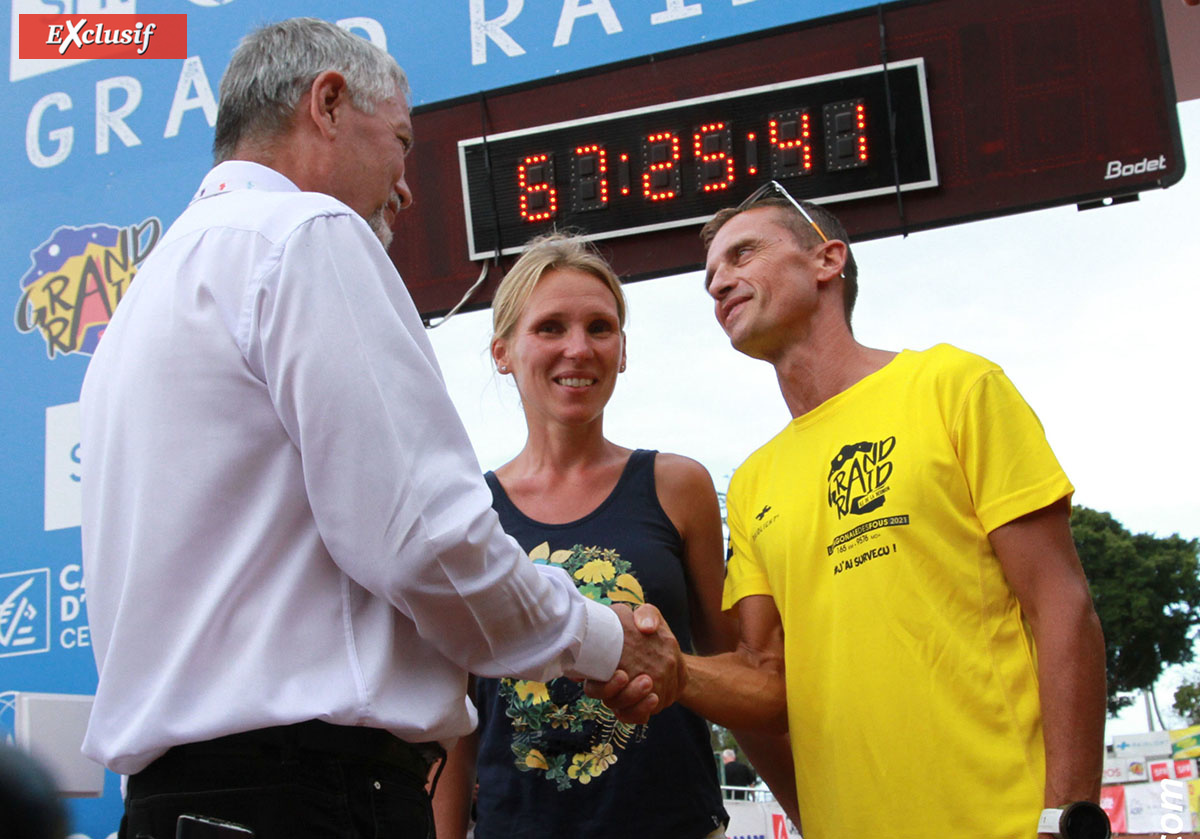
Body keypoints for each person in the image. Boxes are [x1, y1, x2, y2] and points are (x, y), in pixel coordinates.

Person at [78, 19, 681, 839]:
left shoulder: (144, 300)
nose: (404, 187)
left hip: (174, 805)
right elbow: (428, 542)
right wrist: (606, 639)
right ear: (327, 103)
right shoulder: (307, 235)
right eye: (400, 141)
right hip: (308, 800)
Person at [669, 181, 1107, 839]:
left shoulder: (953, 386)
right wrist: (655, 661)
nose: (718, 282)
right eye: (711, 274)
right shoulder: (755, 481)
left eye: (743, 254)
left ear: (827, 260)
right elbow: (767, 687)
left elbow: (1063, 603)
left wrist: (1063, 819)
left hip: (1008, 823)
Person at [432, 234, 732, 839]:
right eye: (550, 328)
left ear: (622, 351)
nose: (579, 348)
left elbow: (738, 675)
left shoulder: (679, 486)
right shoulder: (467, 513)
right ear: (502, 351)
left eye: (600, 327)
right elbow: (453, 726)